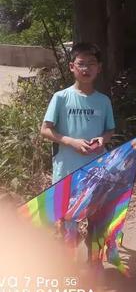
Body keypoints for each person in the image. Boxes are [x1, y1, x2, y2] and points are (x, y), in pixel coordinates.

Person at [40, 42, 115, 265]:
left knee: (97, 219)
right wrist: (70, 141)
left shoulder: (103, 101)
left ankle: (95, 264)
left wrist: (103, 139)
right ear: (72, 67)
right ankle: (69, 268)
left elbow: (110, 130)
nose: (86, 68)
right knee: (68, 222)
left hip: (96, 171)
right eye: (81, 64)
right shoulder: (60, 98)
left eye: (91, 64)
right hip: (66, 172)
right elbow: (45, 129)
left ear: (99, 68)